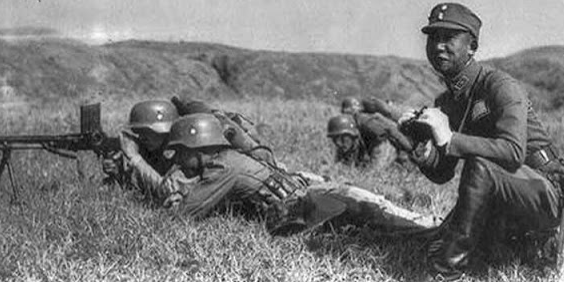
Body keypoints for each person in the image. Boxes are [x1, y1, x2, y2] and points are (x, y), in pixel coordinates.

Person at [395, 2, 564, 282]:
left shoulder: (499, 85)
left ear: (472, 46)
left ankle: (445, 276)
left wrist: (449, 137)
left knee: (480, 166)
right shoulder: (447, 101)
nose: (438, 46)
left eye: (449, 38)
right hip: (501, 194)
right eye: (433, 37)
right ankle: (503, 247)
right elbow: (443, 172)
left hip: (544, 192)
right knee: (431, 242)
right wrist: (419, 147)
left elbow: (513, 152)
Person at [107, 106, 440, 237]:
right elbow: (178, 191)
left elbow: (180, 215)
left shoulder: (224, 168)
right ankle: (422, 218)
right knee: (367, 212)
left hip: (308, 201)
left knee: (371, 207)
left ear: (198, 148)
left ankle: (432, 224)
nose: (178, 159)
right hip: (306, 201)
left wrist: (135, 160)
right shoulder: (224, 160)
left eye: (182, 152)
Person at [101, 99, 179, 200]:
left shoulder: (181, 157)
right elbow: (140, 191)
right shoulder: (153, 154)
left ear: (165, 131)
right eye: (139, 132)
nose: (142, 137)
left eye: (147, 132)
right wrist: (118, 174)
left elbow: (169, 192)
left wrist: (135, 158)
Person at [329, 96, 411, 167]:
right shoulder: (352, 128)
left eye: (348, 113)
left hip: (392, 141)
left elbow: (389, 131)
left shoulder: (365, 122)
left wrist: (407, 147)